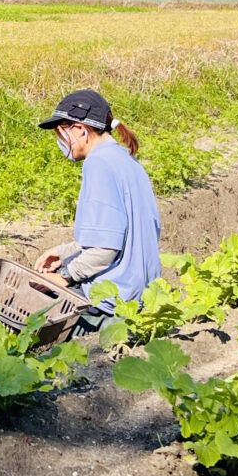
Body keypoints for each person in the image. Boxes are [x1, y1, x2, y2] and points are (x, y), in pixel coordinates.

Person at [33, 89, 161, 333]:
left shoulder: (98, 163)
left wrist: (63, 277)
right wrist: (64, 252)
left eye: (61, 132)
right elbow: (119, 235)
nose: (59, 141)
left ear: (80, 130)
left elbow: (106, 249)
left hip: (112, 308)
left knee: (34, 328)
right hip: (141, 300)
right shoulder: (127, 160)